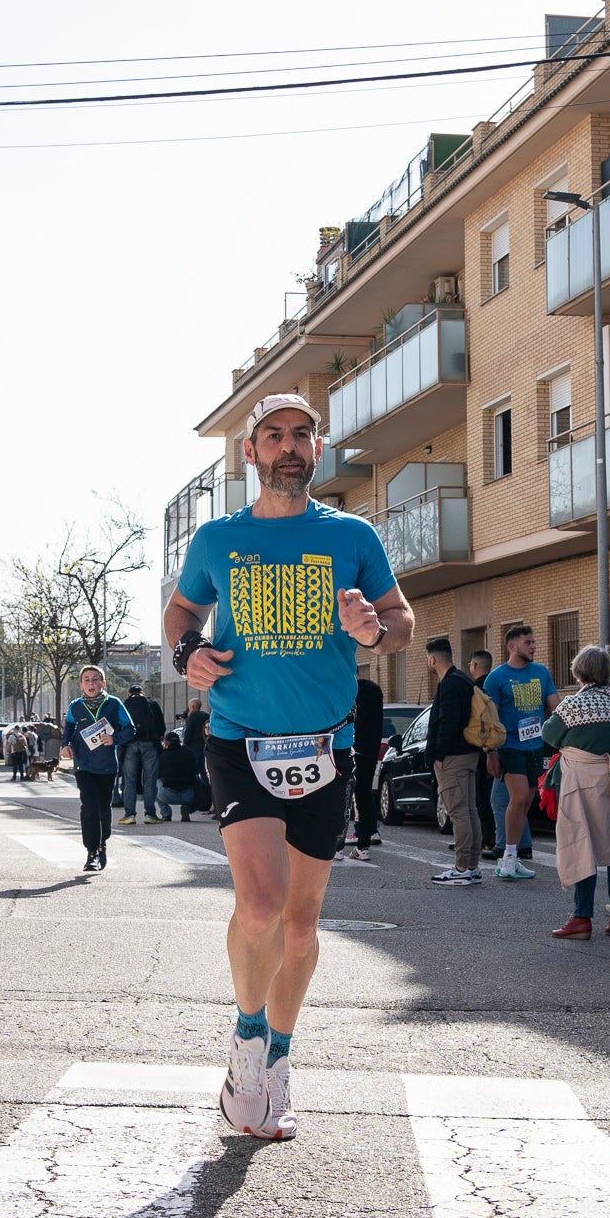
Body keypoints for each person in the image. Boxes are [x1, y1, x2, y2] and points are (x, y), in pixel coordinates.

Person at [165, 392, 412, 1141]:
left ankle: (279, 1054)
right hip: (240, 740)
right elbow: (179, 613)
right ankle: (246, 1036)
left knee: (301, 927)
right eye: (272, 435)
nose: (288, 446)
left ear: (317, 446)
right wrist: (187, 652)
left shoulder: (351, 535)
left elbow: (401, 622)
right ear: (250, 452)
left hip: (325, 748)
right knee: (263, 906)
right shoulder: (217, 539)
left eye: (301, 433)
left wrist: (376, 628)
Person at [543, 646, 610, 939]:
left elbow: (548, 735)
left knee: (582, 846)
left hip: (583, 784)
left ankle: (581, 917)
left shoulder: (573, 705)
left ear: (579, 672)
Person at [483, 626, 556, 880]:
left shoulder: (541, 672)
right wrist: (490, 751)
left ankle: (510, 856)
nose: (533, 646)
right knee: (519, 797)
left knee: (526, 801)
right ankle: (509, 857)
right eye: (528, 642)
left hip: (535, 745)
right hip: (509, 745)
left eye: (534, 642)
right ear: (512, 646)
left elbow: (555, 705)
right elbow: (487, 717)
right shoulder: (496, 677)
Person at [60, 665, 135, 871]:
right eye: (86, 680)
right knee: (89, 807)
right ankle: (91, 853)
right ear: (81, 685)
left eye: (95, 680)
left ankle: (102, 843)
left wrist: (114, 738)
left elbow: (130, 729)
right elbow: (67, 730)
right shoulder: (75, 706)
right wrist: (64, 745)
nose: (91, 684)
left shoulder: (113, 704)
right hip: (83, 765)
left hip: (107, 766)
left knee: (103, 809)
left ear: (103, 683)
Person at [424, 638, 483, 885]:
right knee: (470, 810)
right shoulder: (464, 679)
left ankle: (461, 868)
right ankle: (472, 865)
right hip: (469, 753)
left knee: (458, 813)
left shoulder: (448, 684)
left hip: (452, 758)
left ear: (432, 659)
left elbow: (447, 721)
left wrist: (438, 754)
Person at [346, 674, 385, 857]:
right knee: (364, 794)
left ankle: (337, 845)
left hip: (353, 751)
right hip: (370, 752)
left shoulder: (354, 693)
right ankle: (365, 840)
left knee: (344, 797)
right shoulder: (374, 693)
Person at [121, 684, 167, 824]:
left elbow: (119, 725)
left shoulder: (125, 705)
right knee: (150, 780)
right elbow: (161, 727)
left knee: (129, 780)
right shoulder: (152, 704)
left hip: (130, 745)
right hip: (149, 745)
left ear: (129, 693)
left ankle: (129, 815)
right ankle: (150, 814)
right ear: (142, 693)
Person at [467, 648, 497, 855]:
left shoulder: (474, 689)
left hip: (481, 751)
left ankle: (487, 837)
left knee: (481, 797)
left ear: (474, 666)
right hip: (500, 747)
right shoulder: (496, 684)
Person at [157, 729, 198, 822]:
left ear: (166, 743)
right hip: (188, 795)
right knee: (197, 780)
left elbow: (158, 775)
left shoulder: (163, 755)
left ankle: (166, 813)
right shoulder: (189, 752)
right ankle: (187, 808)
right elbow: (195, 771)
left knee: (152, 783)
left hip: (168, 794)